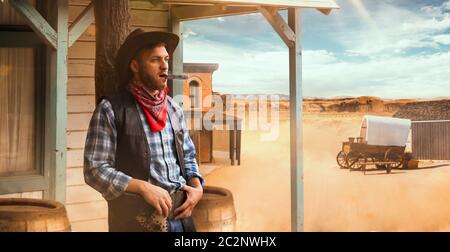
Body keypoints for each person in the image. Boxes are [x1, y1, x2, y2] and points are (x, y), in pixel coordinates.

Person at [83, 29, 204, 232]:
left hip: (181, 220)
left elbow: (188, 157)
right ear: (135, 66)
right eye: (155, 60)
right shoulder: (111, 109)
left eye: (166, 58)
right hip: (137, 223)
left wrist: (197, 187)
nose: (165, 65)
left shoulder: (173, 108)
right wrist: (142, 187)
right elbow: (94, 170)